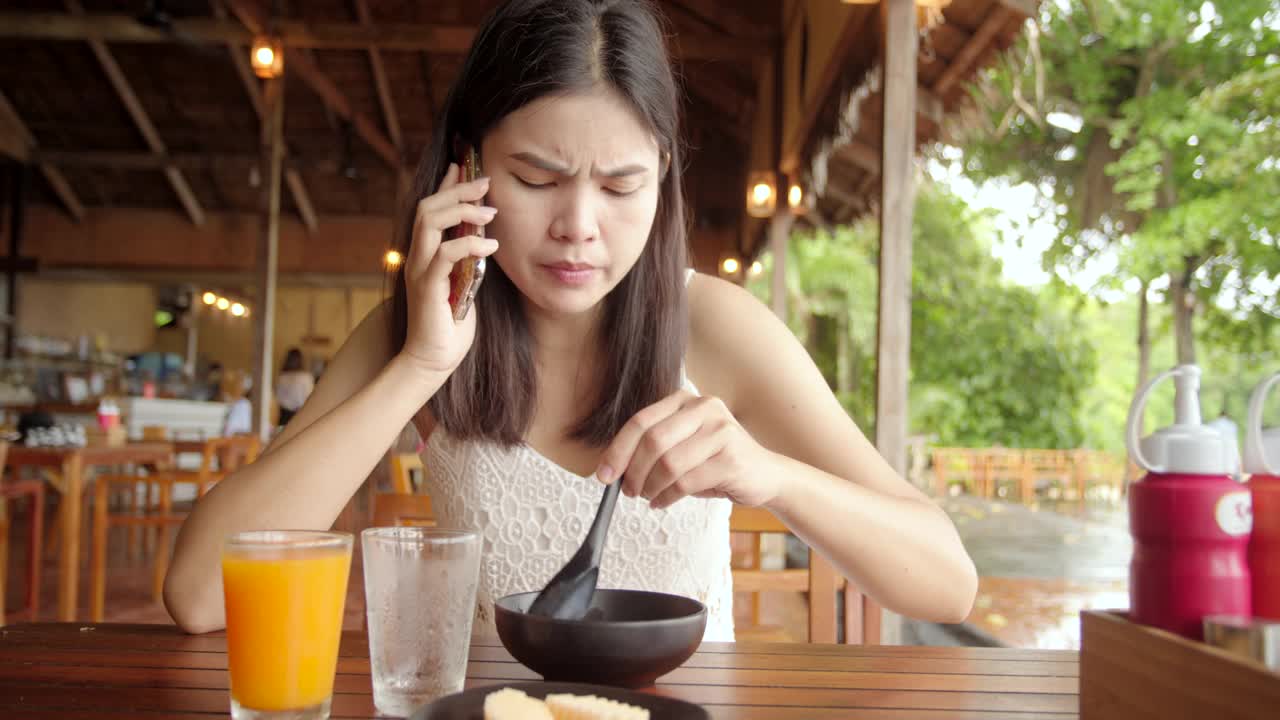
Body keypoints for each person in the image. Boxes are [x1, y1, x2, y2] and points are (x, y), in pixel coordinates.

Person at [164, 0, 977, 638]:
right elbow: (200, 593)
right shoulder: (409, 331)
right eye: (536, 176)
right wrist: (419, 365)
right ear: (468, 166)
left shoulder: (716, 325)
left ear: (662, 180)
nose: (580, 226)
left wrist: (773, 476)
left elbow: (947, 581)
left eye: (621, 187)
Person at [275, 348, 315, 428]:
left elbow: (278, 397)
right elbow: (310, 397)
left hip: (284, 415)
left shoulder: (282, 377)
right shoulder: (306, 377)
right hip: (301, 414)